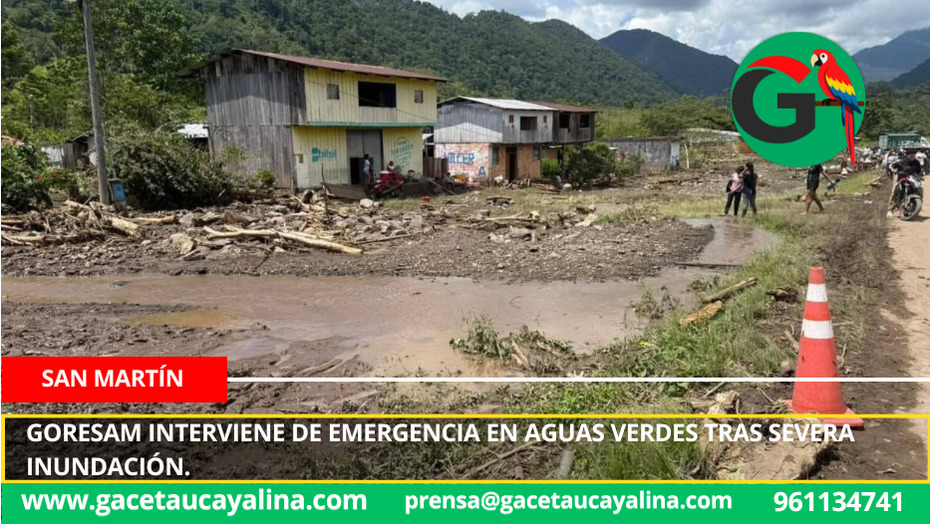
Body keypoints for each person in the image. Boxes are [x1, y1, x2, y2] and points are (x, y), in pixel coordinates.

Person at [888, 151, 924, 217]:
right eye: (911, 156)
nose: (913, 158)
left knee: (920, 188)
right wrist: (893, 170)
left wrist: (921, 176)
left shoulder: (916, 162)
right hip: (901, 178)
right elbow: (891, 165)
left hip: (912, 179)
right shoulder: (901, 161)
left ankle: (918, 204)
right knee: (895, 191)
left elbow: (919, 171)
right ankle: (890, 210)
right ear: (907, 155)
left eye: (914, 156)